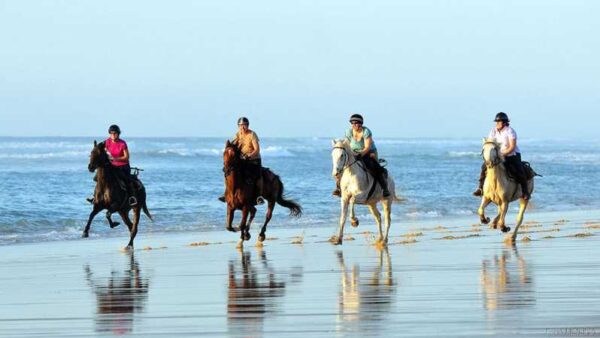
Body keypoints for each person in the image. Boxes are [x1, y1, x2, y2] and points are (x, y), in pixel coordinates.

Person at [473, 112, 530, 200]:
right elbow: (491, 144)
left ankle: (525, 192)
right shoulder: (493, 131)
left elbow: (512, 147)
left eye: (498, 122)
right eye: (496, 122)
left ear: (504, 122)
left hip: (512, 154)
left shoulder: (510, 131)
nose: (497, 123)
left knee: (519, 170)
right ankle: (480, 188)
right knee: (484, 167)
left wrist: (502, 154)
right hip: (497, 156)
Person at [332, 113, 390, 197]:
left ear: (361, 123)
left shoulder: (366, 132)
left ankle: (385, 189)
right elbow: (346, 143)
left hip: (369, 152)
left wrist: (360, 154)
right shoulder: (348, 132)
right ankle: (338, 188)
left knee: (375, 168)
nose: (356, 125)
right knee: (341, 167)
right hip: (353, 152)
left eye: (358, 123)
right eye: (354, 123)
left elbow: (367, 147)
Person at [88, 125, 138, 206]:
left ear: (118, 134)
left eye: (115, 133)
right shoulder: (107, 142)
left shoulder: (122, 143)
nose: (113, 135)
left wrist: (115, 158)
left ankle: (131, 198)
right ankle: (95, 197)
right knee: (97, 178)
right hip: (112, 166)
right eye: (111, 134)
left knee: (126, 180)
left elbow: (126, 157)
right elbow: (98, 149)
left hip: (123, 166)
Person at [218, 117, 264, 204]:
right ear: (238, 126)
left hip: (253, 159)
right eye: (240, 126)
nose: (242, 127)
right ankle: (226, 193)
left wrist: (249, 156)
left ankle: (259, 196)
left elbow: (257, 150)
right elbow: (232, 145)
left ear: (247, 125)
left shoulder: (252, 134)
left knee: (257, 176)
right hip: (242, 159)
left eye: (244, 125)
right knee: (228, 173)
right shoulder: (238, 134)